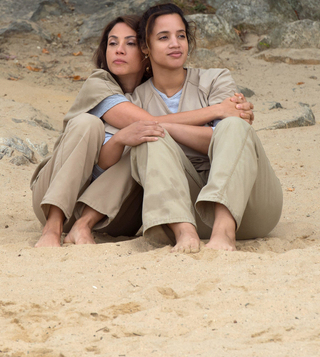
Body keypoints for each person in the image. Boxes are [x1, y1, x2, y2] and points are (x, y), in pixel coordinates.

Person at [30, 15, 254, 248]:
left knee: (143, 141)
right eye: (112, 43)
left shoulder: (151, 91)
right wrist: (217, 110)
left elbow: (149, 130)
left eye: (129, 43)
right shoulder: (99, 84)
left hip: (112, 213)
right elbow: (152, 122)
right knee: (92, 124)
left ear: (145, 51)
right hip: (54, 193)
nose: (119, 50)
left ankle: (83, 224)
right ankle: (52, 228)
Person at [128, 4, 283, 252]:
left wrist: (160, 124)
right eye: (163, 37)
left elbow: (230, 136)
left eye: (181, 35)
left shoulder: (215, 79)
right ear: (145, 46)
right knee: (148, 138)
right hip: (187, 213)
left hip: (250, 209)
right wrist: (208, 117)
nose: (175, 43)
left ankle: (224, 232)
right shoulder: (134, 101)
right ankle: (184, 234)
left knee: (233, 126)